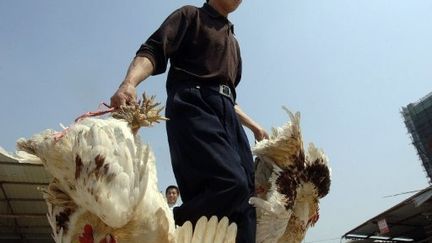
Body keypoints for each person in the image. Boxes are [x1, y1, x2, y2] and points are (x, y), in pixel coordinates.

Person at [110, 0, 268, 242]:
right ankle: (163, 228)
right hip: (193, 103)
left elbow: (227, 95)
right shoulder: (190, 16)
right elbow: (153, 49)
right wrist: (129, 83)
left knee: (249, 199)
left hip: (226, 114)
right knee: (229, 183)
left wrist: (253, 126)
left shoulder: (233, 44)